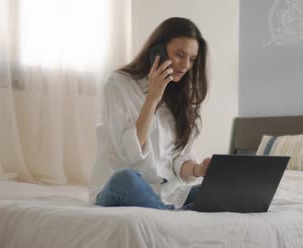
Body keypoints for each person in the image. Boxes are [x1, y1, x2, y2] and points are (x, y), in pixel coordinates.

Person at [89, 17, 211, 211]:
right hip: (122, 187)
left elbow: (178, 161)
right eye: (180, 54)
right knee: (125, 179)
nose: (186, 65)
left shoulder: (182, 100)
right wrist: (152, 98)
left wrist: (198, 169)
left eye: (192, 59)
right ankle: (173, 217)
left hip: (166, 194)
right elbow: (129, 154)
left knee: (220, 191)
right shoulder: (118, 85)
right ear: (158, 51)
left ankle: (169, 213)